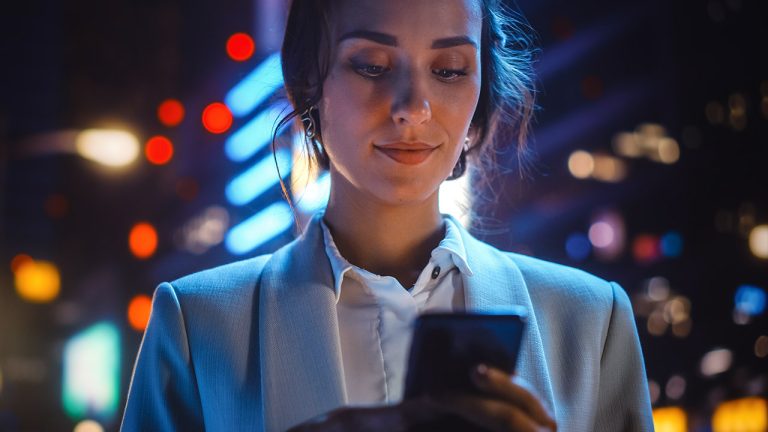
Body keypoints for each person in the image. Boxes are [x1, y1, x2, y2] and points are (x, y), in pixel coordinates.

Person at [121, 0, 654, 431]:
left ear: (479, 95)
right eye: (372, 66)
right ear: (309, 84)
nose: (413, 107)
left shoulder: (590, 321)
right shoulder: (198, 325)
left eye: (449, 70)